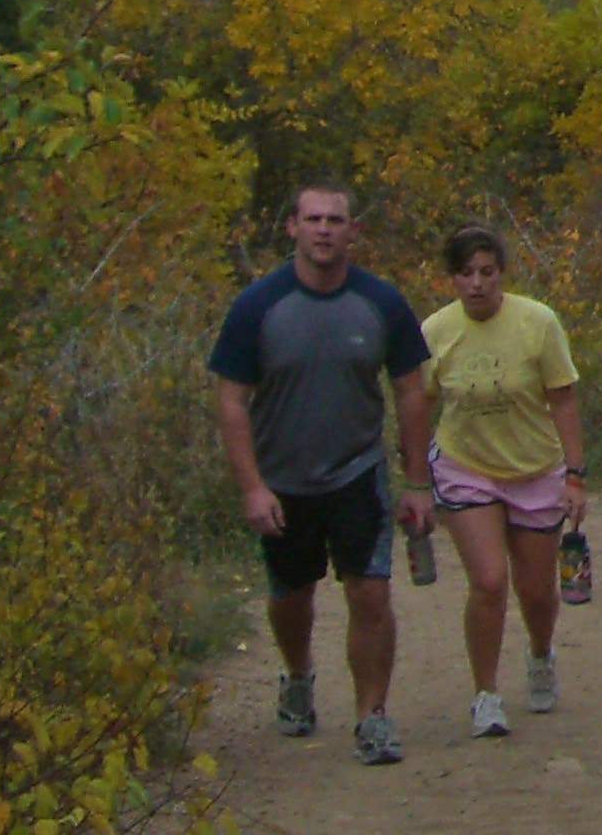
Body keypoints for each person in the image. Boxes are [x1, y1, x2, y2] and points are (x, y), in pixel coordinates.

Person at [208, 179, 435, 767]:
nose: (325, 230)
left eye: (336, 220)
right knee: (291, 595)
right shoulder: (257, 306)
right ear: (291, 228)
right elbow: (231, 399)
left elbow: (411, 390)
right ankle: (298, 676)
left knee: (371, 592)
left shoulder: (382, 303)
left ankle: (372, 716)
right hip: (283, 480)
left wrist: (416, 482)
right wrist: (252, 486)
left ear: (354, 232)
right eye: (313, 219)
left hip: (356, 472)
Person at [421, 224, 587, 739]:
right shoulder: (434, 332)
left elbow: (562, 397)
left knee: (535, 590)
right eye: (466, 274)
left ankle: (540, 653)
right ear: (451, 279)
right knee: (489, 581)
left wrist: (575, 476)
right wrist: (412, 482)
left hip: (534, 467)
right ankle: (486, 694)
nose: (477, 284)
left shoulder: (537, 323)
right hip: (465, 466)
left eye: (486, 273)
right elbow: (419, 404)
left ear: (501, 275)